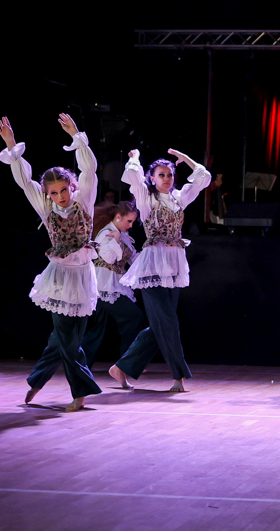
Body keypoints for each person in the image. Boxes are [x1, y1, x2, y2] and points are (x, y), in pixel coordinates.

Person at [0, 113, 103, 412]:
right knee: (67, 339)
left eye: (63, 190)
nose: (60, 196)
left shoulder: (84, 201)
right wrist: (11, 145)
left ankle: (37, 380)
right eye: (54, 192)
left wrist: (76, 137)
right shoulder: (45, 207)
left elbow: (90, 170)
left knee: (64, 338)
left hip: (83, 276)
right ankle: (81, 391)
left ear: (71, 186)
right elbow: (24, 181)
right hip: (58, 278)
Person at [109, 148, 211, 393]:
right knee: (169, 323)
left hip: (173, 267)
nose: (166, 178)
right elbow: (133, 176)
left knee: (161, 326)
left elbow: (203, 177)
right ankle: (179, 376)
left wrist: (186, 159)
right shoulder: (147, 198)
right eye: (161, 175)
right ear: (152, 177)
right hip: (152, 268)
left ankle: (121, 367)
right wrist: (134, 158)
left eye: (170, 174)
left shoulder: (178, 198)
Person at [81, 201, 146, 368]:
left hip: (113, 285)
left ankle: (81, 364)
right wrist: (115, 241)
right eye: (129, 221)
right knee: (134, 318)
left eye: (132, 222)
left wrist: (152, 255)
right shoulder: (107, 233)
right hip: (104, 286)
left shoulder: (122, 234)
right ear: (118, 217)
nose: (130, 226)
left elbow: (133, 259)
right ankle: (125, 365)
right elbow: (109, 258)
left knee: (99, 329)